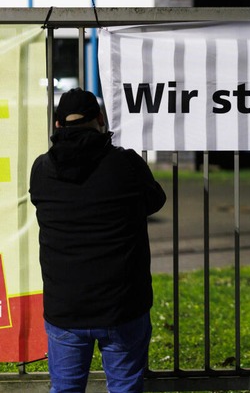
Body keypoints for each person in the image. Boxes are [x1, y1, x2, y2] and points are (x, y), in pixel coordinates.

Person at [29, 88, 167, 393]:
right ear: (100, 120)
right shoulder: (126, 164)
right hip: (122, 305)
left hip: (66, 307)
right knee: (124, 388)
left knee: (65, 389)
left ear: (58, 125)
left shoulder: (42, 169)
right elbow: (155, 200)